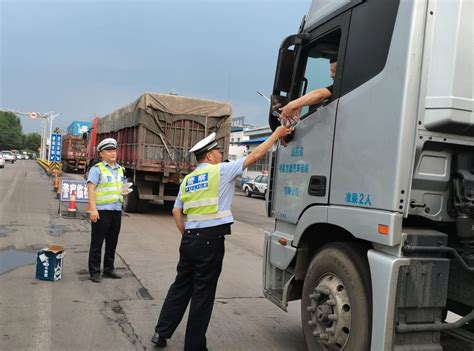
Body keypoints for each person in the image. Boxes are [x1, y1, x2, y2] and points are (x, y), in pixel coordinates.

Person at [151, 126, 292, 350]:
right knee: (202, 295)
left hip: (189, 240)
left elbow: (176, 212)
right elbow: (255, 155)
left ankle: (161, 333)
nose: (221, 155)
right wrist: (277, 134)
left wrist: (187, 234)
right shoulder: (221, 171)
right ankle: (194, 346)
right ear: (209, 155)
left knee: (180, 287)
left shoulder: (188, 179)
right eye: (218, 151)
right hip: (210, 241)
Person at [87, 137, 129, 283]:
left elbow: (122, 187)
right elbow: (91, 189)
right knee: (97, 242)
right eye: (108, 151)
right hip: (101, 210)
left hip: (116, 210)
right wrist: (92, 209)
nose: (112, 153)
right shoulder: (97, 169)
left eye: (114, 150)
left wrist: (124, 191)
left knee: (112, 241)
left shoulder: (121, 169)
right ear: (101, 154)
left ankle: (109, 268)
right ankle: (94, 271)